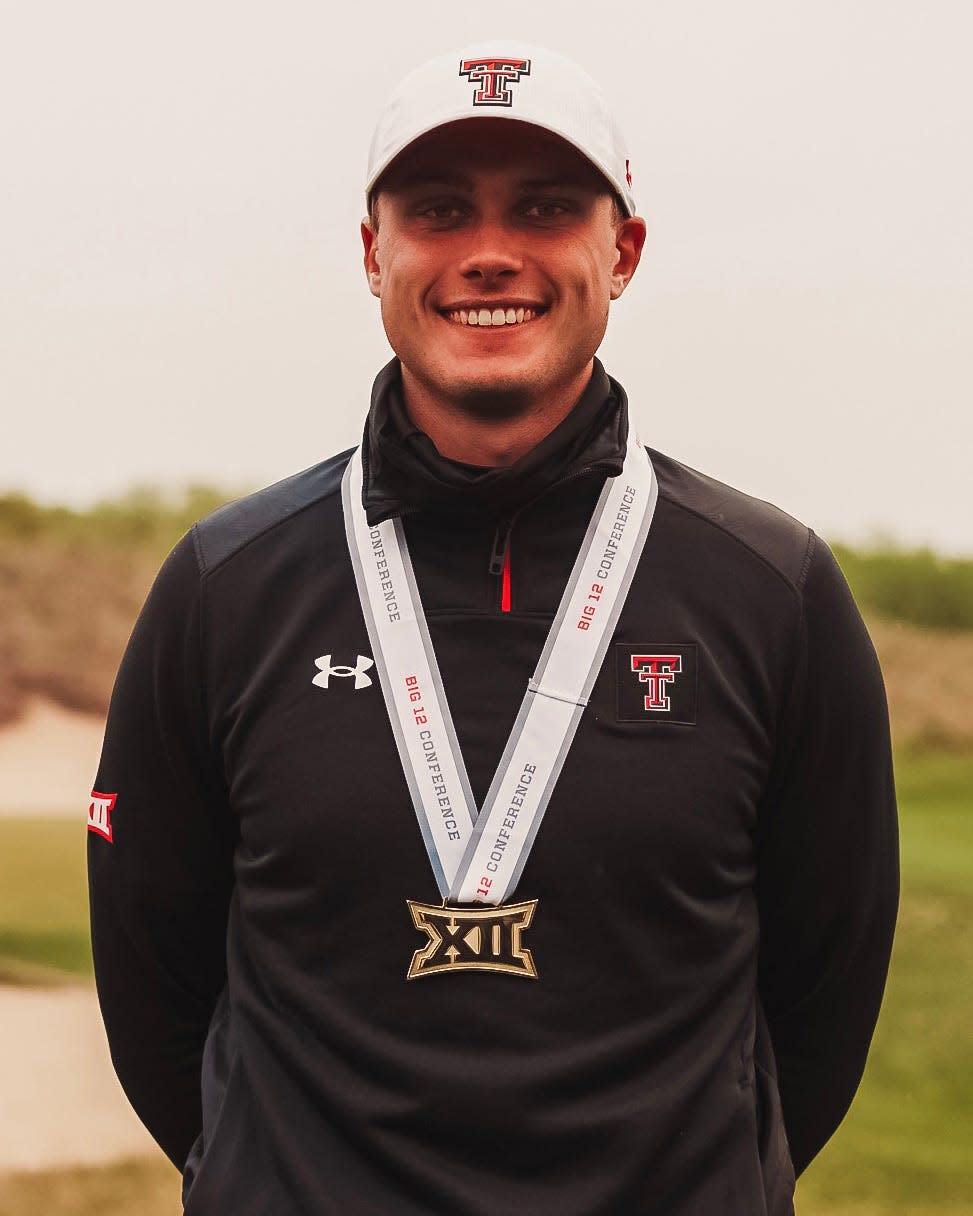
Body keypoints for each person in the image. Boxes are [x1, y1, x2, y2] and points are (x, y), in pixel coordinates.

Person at [87, 42, 899, 1215]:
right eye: (437, 209)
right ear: (374, 254)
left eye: (546, 207)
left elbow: (825, 987)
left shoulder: (771, 586)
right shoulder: (227, 584)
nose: (488, 252)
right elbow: (152, 979)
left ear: (620, 252)